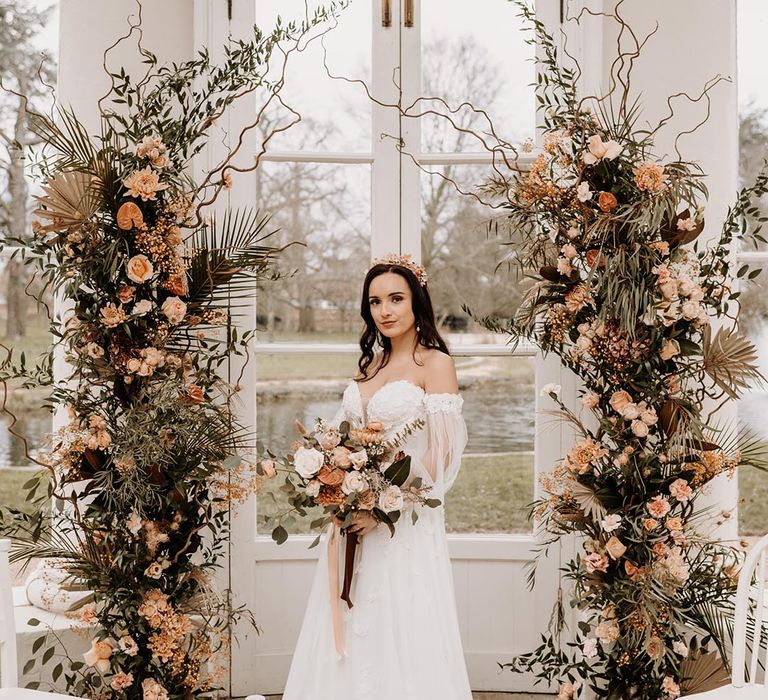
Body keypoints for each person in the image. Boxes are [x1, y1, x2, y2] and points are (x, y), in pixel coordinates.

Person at [282, 254, 472, 700]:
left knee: (400, 619)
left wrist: (385, 504)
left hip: (401, 522)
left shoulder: (435, 365)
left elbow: (443, 457)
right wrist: (333, 485)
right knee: (349, 616)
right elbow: (342, 439)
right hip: (351, 520)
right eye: (375, 301)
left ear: (415, 302)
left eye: (395, 299)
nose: (385, 310)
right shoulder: (368, 367)